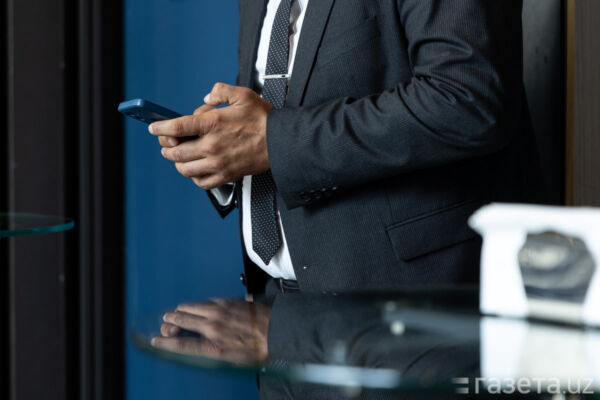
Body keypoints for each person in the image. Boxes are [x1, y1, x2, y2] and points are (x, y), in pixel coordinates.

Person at [149, 0, 541, 383]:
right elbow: (282, 113)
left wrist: (275, 141)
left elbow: (466, 99)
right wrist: (225, 150)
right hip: (276, 329)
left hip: (412, 336)